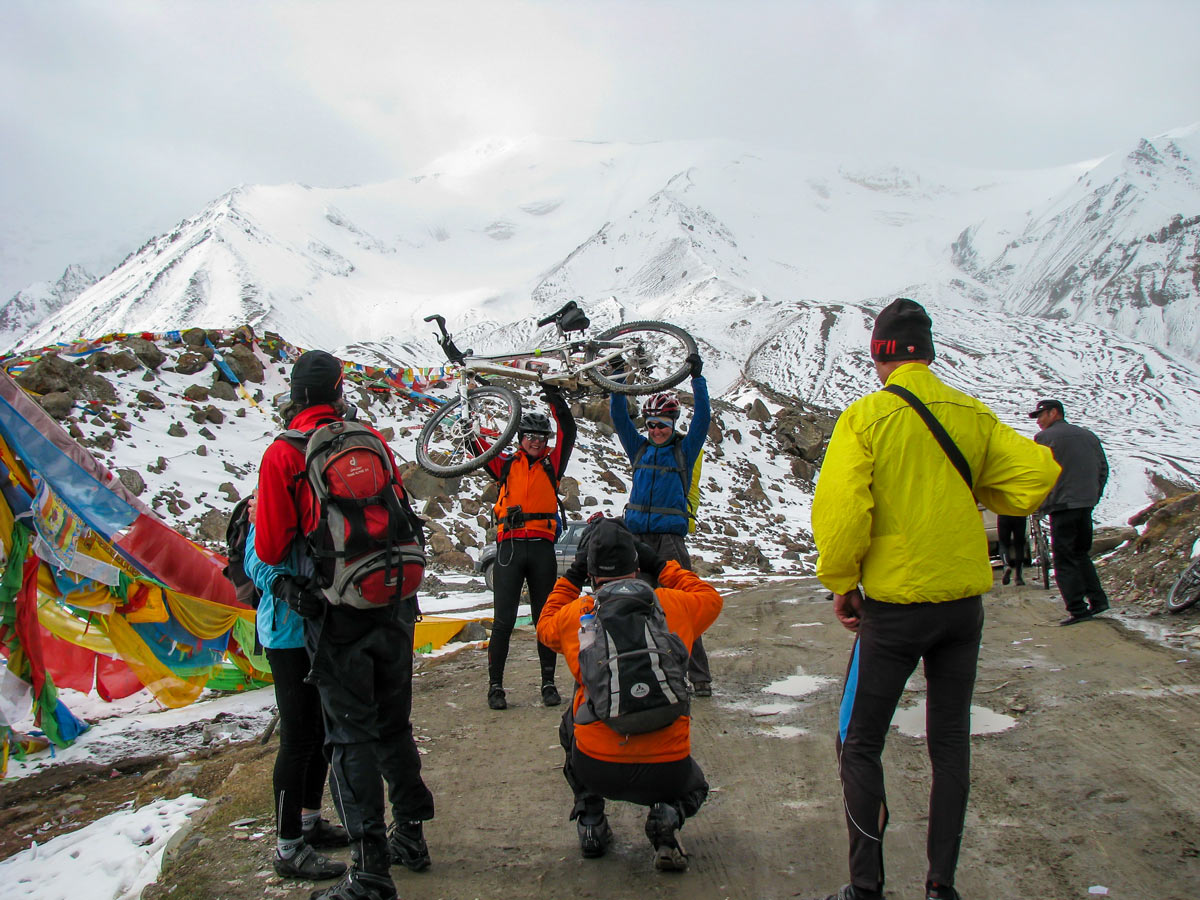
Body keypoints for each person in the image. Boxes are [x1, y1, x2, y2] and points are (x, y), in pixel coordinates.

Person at [809, 299, 1060, 900]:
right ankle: (940, 886)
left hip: (894, 610)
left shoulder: (865, 418)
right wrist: (973, 487)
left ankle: (866, 887)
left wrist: (842, 581)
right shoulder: (971, 414)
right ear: (928, 351)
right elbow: (1037, 475)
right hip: (961, 609)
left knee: (859, 743)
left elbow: (843, 515)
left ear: (879, 355)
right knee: (949, 743)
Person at [255, 350, 435, 900]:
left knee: (348, 735)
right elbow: (398, 505)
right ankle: (411, 836)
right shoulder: (370, 438)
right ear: (338, 391)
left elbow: (269, 545)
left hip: (336, 612)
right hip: (394, 600)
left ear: (296, 395)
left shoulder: (283, 455)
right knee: (394, 725)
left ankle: (371, 872)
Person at [537, 517, 722, 872]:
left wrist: (573, 576)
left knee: (572, 716)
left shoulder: (580, 614)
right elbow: (711, 599)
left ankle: (591, 821)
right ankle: (668, 818)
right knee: (695, 785)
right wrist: (662, 565)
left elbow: (545, 625)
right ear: (637, 565)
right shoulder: (671, 604)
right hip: (667, 771)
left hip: (597, 768)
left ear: (592, 571)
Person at [242, 494, 349, 883]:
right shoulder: (274, 490)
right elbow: (254, 556)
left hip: (319, 631)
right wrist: (284, 587)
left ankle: (309, 823)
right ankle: (288, 847)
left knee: (319, 732)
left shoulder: (323, 483)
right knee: (297, 739)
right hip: (286, 636)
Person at [609, 352, 712, 695]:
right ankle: (649, 676)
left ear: (673, 425)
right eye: (651, 424)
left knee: (682, 609)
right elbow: (619, 417)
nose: (655, 431)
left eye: (662, 425)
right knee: (636, 610)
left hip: (669, 542)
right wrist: (617, 379)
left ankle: (699, 679)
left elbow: (703, 419)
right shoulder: (637, 449)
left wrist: (697, 378)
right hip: (637, 542)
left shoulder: (684, 451)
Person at [476, 384, 576, 710]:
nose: (536, 441)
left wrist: (552, 396)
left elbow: (568, 430)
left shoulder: (553, 463)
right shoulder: (504, 465)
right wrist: (466, 428)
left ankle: (548, 683)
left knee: (543, 619)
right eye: (530, 436)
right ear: (520, 437)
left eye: (541, 437)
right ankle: (495, 687)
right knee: (503, 621)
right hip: (509, 549)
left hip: (542, 550)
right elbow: (475, 448)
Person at [1028, 399, 1111, 625]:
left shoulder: (1045, 439)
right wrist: (1093, 496)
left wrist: (1038, 501)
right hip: (1085, 503)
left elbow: (1040, 472)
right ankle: (1098, 600)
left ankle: (1077, 608)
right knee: (1081, 553)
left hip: (1061, 505)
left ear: (1054, 413)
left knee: (1064, 558)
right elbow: (1103, 467)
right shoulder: (1088, 435)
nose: (1039, 421)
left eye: (1041, 415)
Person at [996, 514, 1027, 586]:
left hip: (1003, 515)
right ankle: (1018, 577)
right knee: (1019, 545)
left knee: (1003, 544)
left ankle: (1006, 565)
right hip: (1019, 514)